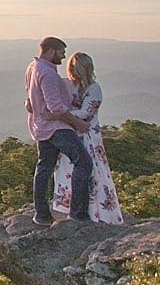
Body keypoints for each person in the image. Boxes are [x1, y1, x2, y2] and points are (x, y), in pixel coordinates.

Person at [24, 36, 91, 226]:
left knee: (44, 167)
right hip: (57, 128)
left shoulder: (32, 67)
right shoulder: (48, 73)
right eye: (61, 53)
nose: (63, 57)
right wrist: (77, 123)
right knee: (84, 163)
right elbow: (57, 107)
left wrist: (30, 105)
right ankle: (78, 214)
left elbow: (29, 96)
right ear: (51, 51)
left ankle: (42, 215)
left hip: (40, 127)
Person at [52, 52, 124, 224]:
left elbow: (86, 112)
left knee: (93, 173)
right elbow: (46, 94)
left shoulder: (94, 88)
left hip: (88, 136)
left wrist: (57, 115)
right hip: (71, 133)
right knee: (68, 171)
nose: (74, 72)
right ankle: (71, 208)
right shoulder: (68, 85)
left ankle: (98, 212)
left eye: (78, 68)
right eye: (72, 68)